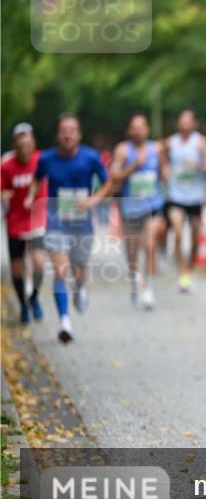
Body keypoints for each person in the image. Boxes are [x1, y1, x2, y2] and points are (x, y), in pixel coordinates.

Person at [27, 114, 116, 343]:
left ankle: (79, 289)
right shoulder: (46, 159)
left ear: (79, 134)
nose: (67, 134)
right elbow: (37, 179)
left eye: (72, 130)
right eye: (63, 130)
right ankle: (65, 322)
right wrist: (31, 195)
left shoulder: (91, 157)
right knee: (60, 270)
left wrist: (93, 201)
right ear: (58, 134)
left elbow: (108, 183)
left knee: (79, 271)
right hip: (56, 221)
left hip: (82, 222)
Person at [109, 112, 167, 309]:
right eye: (134, 128)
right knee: (132, 252)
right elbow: (115, 178)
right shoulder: (122, 151)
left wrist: (168, 175)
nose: (138, 131)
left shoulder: (157, 149)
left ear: (147, 129)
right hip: (130, 208)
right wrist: (133, 166)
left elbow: (165, 172)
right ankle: (135, 280)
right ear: (129, 131)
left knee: (149, 245)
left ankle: (149, 288)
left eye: (141, 127)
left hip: (153, 206)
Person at [163, 109, 206, 292]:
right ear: (178, 124)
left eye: (188, 122)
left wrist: (200, 165)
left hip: (195, 199)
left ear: (195, 124)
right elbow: (159, 155)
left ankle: (189, 270)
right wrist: (164, 169)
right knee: (178, 232)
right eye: (182, 121)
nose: (185, 125)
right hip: (175, 196)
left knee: (195, 240)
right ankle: (183, 272)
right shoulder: (170, 143)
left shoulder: (200, 143)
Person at [1, 123, 46, 323]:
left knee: (39, 263)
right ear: (15, 146)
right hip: (15, 222)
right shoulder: (6, 165)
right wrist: (4, 195)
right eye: (20, 146)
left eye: (28, 145)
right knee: (17, 268)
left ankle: (34, 298)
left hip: (37, 220)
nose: (24, 150)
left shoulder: (42, 160)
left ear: (33, 143)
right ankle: (23, 305)